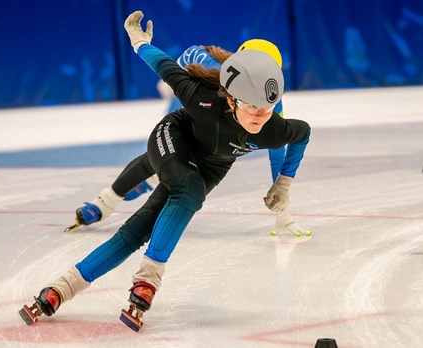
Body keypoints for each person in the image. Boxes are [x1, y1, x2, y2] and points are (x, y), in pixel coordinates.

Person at [19, 10, 310, 331]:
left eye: (268, 107)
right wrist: (138, 40)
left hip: (212, 165)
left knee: (139, 229)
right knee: (187, 188)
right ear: (231, 99)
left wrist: (283, 184)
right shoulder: (203, 97)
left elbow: (301, 134)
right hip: (174, 135)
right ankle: (146, 275)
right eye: (252, 106)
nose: (260, 116)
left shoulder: (272, 123)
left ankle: (61, 288)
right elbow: (167, 67)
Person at [69, 40, 311, 237]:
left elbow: (276, 149)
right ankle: (104, 203)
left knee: (173, 167)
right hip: (195, 112)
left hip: (219, 140)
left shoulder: (271, 100)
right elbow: (189, 55)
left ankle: (145, 184)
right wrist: (173, 77)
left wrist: (282, 208)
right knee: (155, 157)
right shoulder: (211, 64)